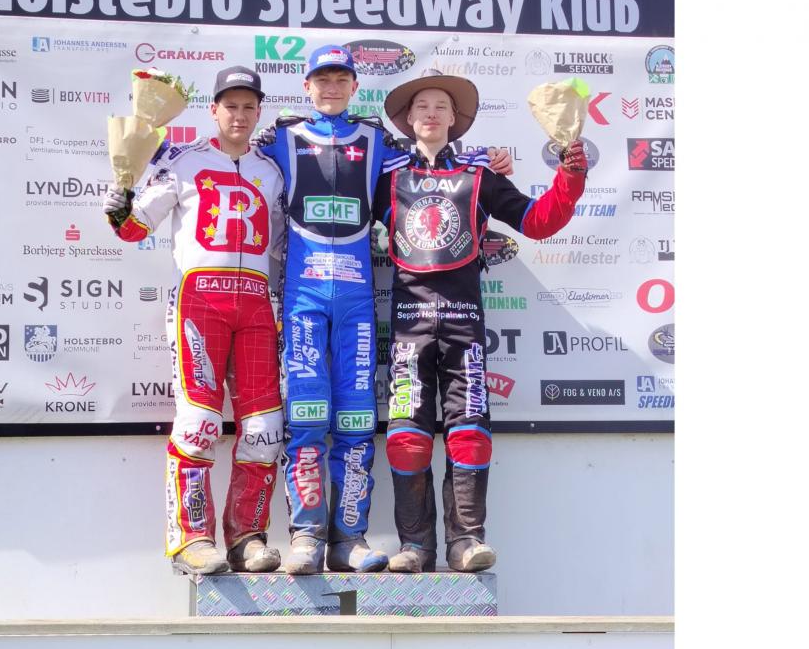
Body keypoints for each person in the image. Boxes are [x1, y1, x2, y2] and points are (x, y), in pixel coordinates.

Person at [374, 69, 588, 573]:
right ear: (407, 119)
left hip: (464, 324)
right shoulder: (384, 175)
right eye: (422, 106)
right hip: (408, 326)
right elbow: (332, 216)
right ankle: (416, 547)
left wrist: (571, 171)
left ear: (455, 118)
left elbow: (538, 221)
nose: (431, 113)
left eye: (441, 106)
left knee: (469, 433)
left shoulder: (479, 174)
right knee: (406, 438)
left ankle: (465, 542)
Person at [102, 66, 286, 575]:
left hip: (257, 303)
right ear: (214, 110)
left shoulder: (273, 171)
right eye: (231, 106)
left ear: (259, 112)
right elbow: (134, 228)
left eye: (248, 107)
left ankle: (247, 537)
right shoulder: (183, 161)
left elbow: (286, 243)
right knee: (200, 422)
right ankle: (191, 538)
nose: (239, 116)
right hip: (200, 301)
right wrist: (118, 198)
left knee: (265, 429)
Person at [251, 45, 414, 574]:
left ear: (354, 85)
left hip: (358, 304)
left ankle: (349, 539)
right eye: (322, 79)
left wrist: (490, 159)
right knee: (305, 418)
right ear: (307, 85)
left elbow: (431, 174)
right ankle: (306, 537)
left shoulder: (377, 140)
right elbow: (229, 157)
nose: (331, 87)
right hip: (303, 299)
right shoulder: (280, 138)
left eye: (341, 78)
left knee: (357, 421)